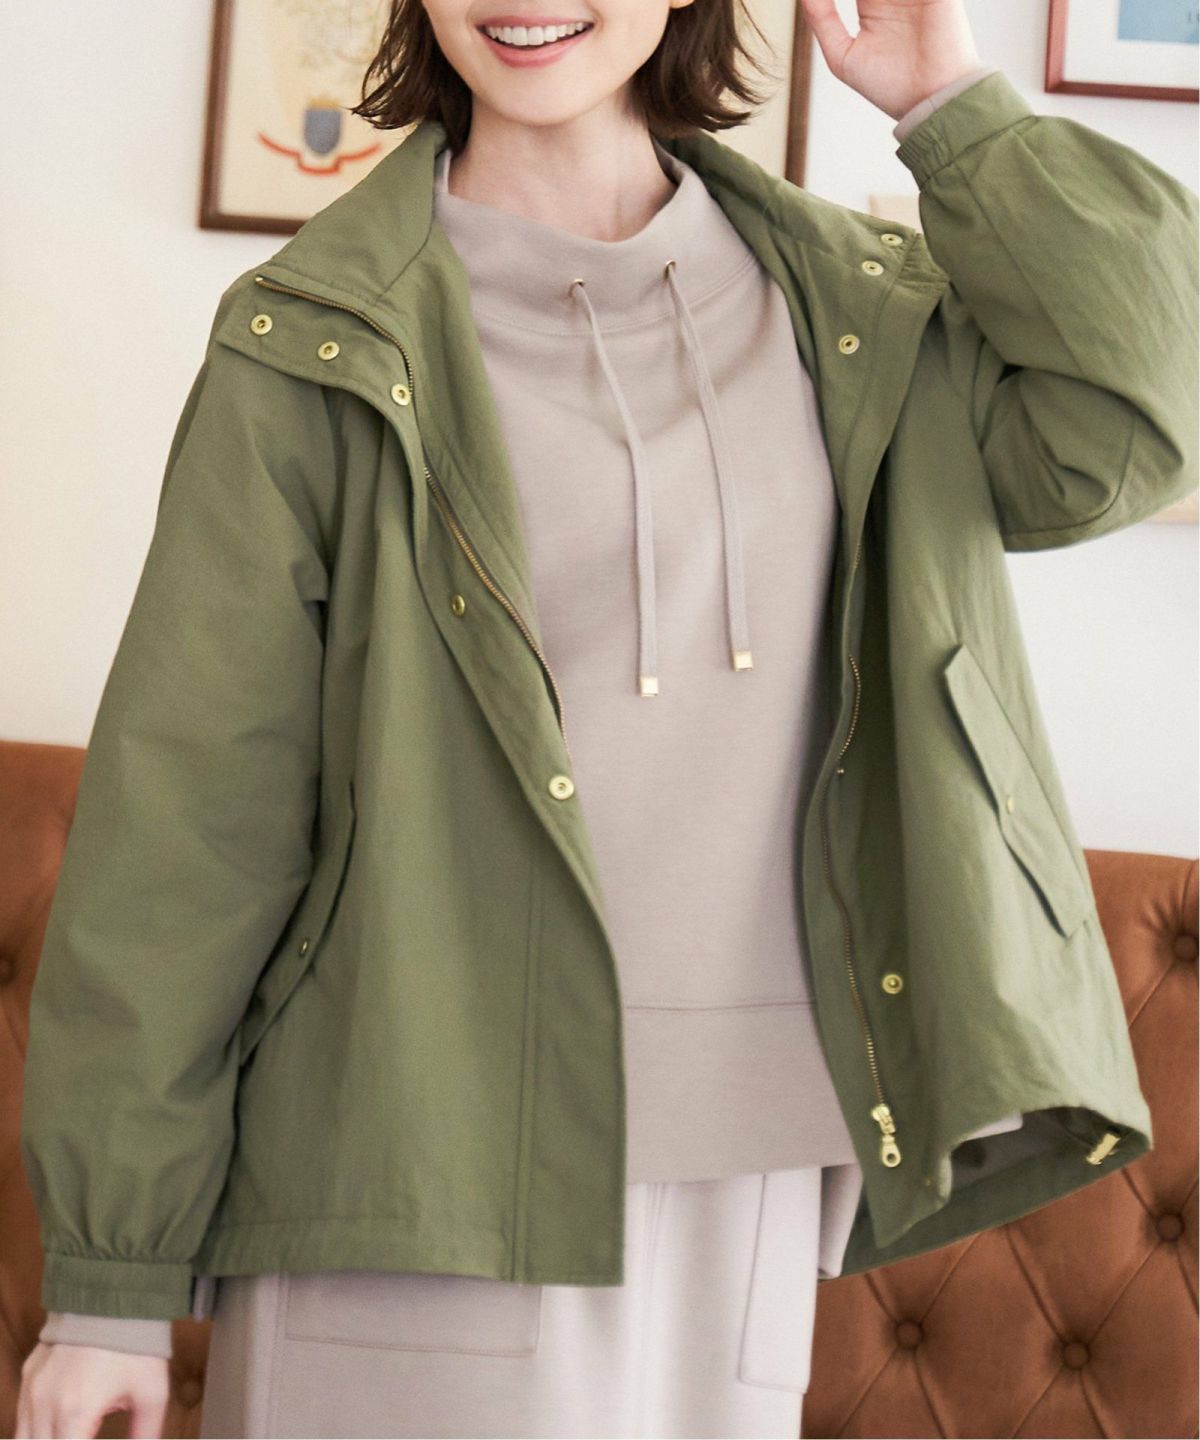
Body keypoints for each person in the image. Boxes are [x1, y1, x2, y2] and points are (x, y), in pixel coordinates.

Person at [16, 0, 1198, 1435]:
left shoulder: (852, 310)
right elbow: (188, 831)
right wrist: (110, 1288)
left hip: (751, 1183)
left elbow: (1136, 416)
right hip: (416, 1171)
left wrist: (946, 102)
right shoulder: (313, 341)